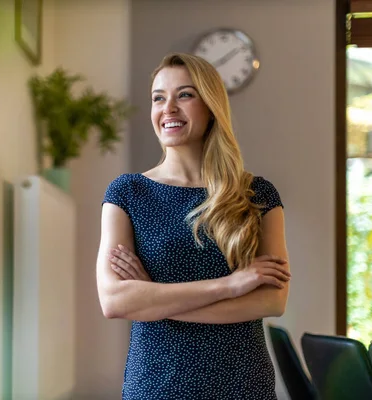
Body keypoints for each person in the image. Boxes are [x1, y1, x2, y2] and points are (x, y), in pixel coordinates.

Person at [96, 52, 291, 400]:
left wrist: (154, 298)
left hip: (241, 385)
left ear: (211, 105)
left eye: (184, 95)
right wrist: (230, 286)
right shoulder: (127, 193)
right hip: (155, 385)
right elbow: (114, 300)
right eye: (159, 98)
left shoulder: (256, 194)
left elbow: (272, 301)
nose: (168, 108)